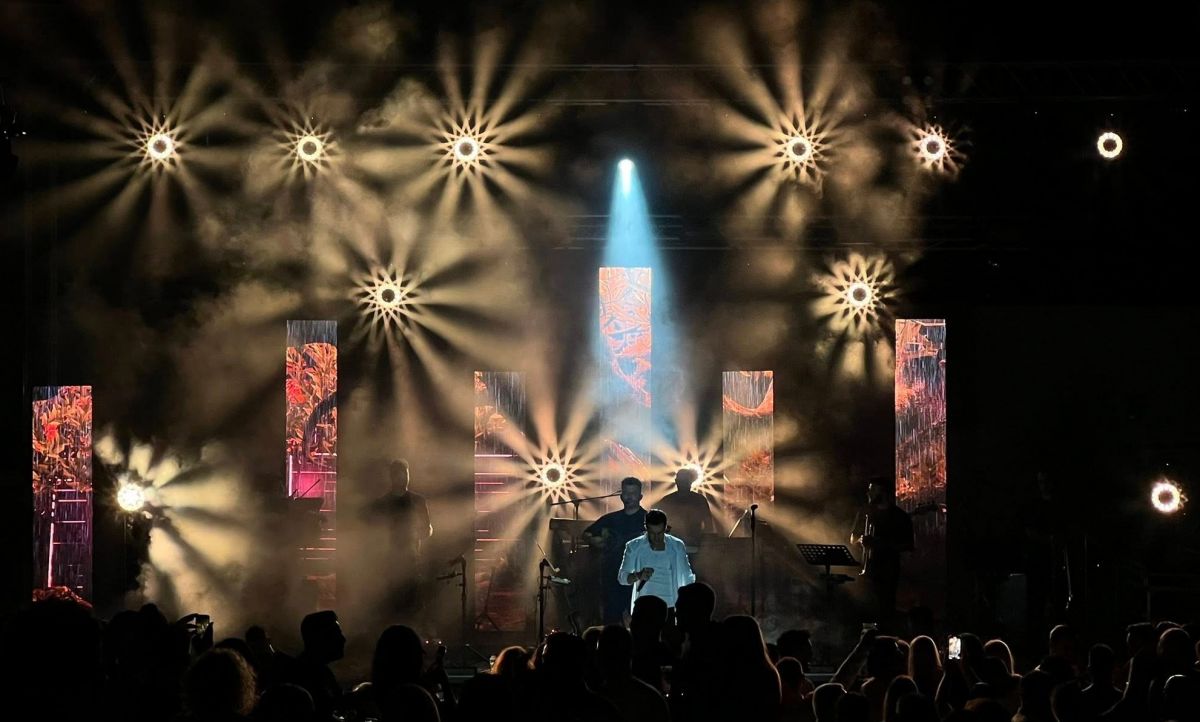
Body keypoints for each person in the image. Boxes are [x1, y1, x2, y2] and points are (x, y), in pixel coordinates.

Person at [850, 476, 914, 631]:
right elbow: (853, 538)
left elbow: (908, 545)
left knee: (886, 609)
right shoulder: (864, 512)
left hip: (888, 571)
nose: (868, 493)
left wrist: (882, 545)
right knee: (863, 608)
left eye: (873, 490)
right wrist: (861, 541)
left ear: (883, 493)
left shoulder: (900, 516)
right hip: (866, 569)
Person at [583, 477, 648, 624]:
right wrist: (595, 541)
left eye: (633, 493)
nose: (629, 497)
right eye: (626, 493)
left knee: (637, 617)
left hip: (637, 576)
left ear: (640, 496)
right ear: (621, 496)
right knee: (611, 617)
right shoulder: (611, 519)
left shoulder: (647, 519)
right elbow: (586, 533)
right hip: (611, 574)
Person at [618, 509, 697, 613]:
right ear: (646, 528)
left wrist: (688, 603)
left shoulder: (677, 546)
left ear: (665, 528)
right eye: (652, 533)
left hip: (670, 606)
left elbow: (687, 576)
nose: (656, 538)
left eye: (659, 533)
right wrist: (638, 575)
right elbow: (622, 578)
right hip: (644, 607)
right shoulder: (634, 546)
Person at [655, 467, 714, 550]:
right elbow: (709, 525)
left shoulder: (667, 500)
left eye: (685, 481)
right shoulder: (699, 499)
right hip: (684, 545)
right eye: (682, 481)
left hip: (680, 546)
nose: (683, 483)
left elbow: (708, 525)